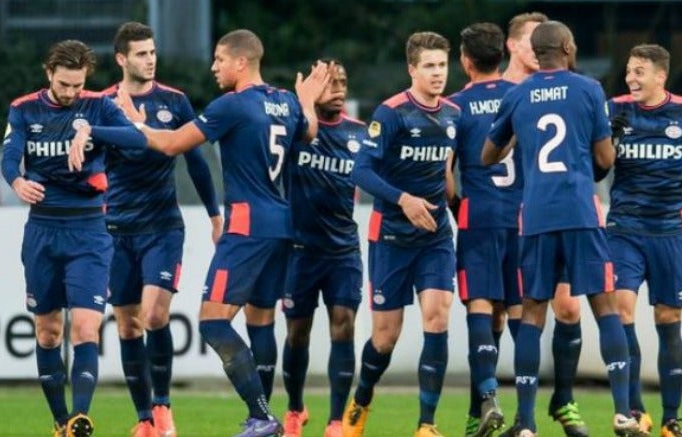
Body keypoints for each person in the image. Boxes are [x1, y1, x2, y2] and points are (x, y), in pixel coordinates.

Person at [108, 29, 330, 437]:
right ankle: (261, 420)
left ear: (240, 63)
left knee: (213, 323)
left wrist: (138, 124)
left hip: (247, 226)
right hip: (282, 224)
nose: (213, 67)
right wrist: (306, 102)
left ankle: (261, 415)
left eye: (219, 60)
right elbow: (310, 132)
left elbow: (174, 143)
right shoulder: (283, 101)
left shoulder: (231, 105)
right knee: (261, 323)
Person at [482, 21, 644, 437]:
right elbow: (605, 159)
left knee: (533, 312)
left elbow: (487, 155)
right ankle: (624, 412)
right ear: (568, 47)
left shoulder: (517, 94)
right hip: (579, 211)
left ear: (536, 54)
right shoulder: (588, 90)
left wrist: (516, 136)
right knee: (604, 306)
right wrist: (607, 143)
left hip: (535, 215)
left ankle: (527, 422)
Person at [1, 39, 147, 437]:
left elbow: (138, 139)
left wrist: (89, 129)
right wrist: (16, 181)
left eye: (77, 86)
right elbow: (10, 155)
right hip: (43, 230)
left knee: (86, 329)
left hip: (89, 231)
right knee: (47, 331)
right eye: (64, 85)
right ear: (49, 74)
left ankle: (80, 418)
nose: (70, 93)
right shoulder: (23, 108)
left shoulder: (97, 105)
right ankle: (60, 422)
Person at [101, 22, 222, 437]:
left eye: (152, 52)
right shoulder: (103, 104)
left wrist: (214, 214)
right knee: (127, 325)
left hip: (162, 227)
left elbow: (196, 162)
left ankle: (163, 406)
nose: (150, 60)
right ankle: (144, 421)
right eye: (141, 54)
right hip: (116, 230)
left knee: (154, 314)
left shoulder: (175, 101)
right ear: (121, 59)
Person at [342, 31, 460, 437]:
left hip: (435, 236)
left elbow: (446, 171)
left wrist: (457, 207)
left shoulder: (452, 115)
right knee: (386, 337)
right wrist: (403, 199)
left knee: (437, 317)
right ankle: (361, 399)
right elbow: (360, 172)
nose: (437, 73)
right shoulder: (391, 114)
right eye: (429, 65)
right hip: (390, 236)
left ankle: (427, 425)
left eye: (442, 65)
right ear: (412, 69)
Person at [606, 43, 682, 437]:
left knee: (668, 319)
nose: (631, 79)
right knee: (621, 310)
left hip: (669, 231)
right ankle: (635, 411)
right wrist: (606, 143)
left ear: (660, 76)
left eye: (639, 71)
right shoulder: (614, 109)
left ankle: (672, 420)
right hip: (623, 229)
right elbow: (590, 164)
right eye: (628, 71)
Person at [498, 12, 589, 437]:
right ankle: (508, 410)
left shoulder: (569, 91)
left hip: (558, 211)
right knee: (505, 312)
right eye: (533, 40)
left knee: (567, 306)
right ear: (515, 47)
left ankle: (563, 399)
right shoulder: (499, 94)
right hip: (507, 217)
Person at [281, 60, 366, 437]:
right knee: (297, 331)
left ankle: (335, 421)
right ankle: (296, 408)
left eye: (343, 82)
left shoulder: (360, 134)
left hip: (343, 250)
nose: (339, 88)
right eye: (330, 83)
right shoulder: (296, 130)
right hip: (299, 249)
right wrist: (303, 105)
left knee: (343, 327)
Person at [444, 22, 515, 437]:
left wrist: (457, 207)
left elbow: (445, 177)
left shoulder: (455, 106)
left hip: (480, 215)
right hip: (523, 217)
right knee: (513, 310)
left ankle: (487, 396)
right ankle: (516, 417)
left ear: (465, 61)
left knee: (480, 306)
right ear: (501, 57)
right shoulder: (522, 96)